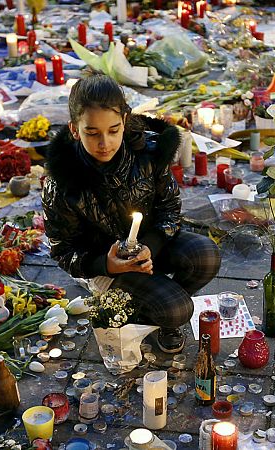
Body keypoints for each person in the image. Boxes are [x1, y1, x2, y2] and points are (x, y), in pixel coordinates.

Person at [41, 75, 221, 354]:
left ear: (125, 121)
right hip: (103, 263)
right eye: (92, 133)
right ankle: (141, 309)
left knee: (207, 255)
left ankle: (152, 302)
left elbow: (170, 209)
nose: (105, 143)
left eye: (114, 130)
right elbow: (63, 251)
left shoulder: (149, 153)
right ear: (75, 130)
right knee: (178, 310)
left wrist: (151, 246)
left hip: (150, 244)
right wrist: (108, 265)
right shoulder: (62, 182)